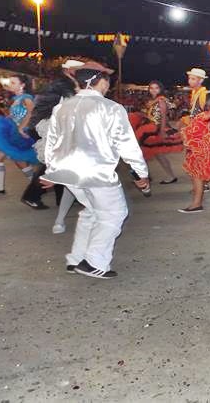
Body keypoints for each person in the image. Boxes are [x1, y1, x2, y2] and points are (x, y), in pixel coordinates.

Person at [41, 67, 149, 279]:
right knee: (114, 214)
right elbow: (126, 143)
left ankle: (76, 259)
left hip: (68, 172)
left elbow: (52, 142)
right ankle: (94, 262)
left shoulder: (62, 108)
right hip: (96, 172)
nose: (108, 86)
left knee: (91, 212)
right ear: (98, 82)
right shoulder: (111, 108)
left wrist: (51, 171)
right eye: (107, 82)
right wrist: (140, 172)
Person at [21, 74, 79, 231]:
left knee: (57, 169)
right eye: (75, 85)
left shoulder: (54, 99)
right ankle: (32, 196)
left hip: (50, 135)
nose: (77, 87)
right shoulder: (64, 101)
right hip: (53, 136)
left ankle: (59, 205)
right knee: (54, 169)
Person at [131, 80, 182, 184]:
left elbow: (163, 117)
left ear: (160, 89)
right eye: (151, 88)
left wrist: (162, 131)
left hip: (156, 129)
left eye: (156, 88)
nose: (154, 90)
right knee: (157, 154)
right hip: (151, 127)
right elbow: (151, 114)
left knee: (145, 152)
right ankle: (166, 176)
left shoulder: (161, 100)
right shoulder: (152, 100)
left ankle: (144, 176)